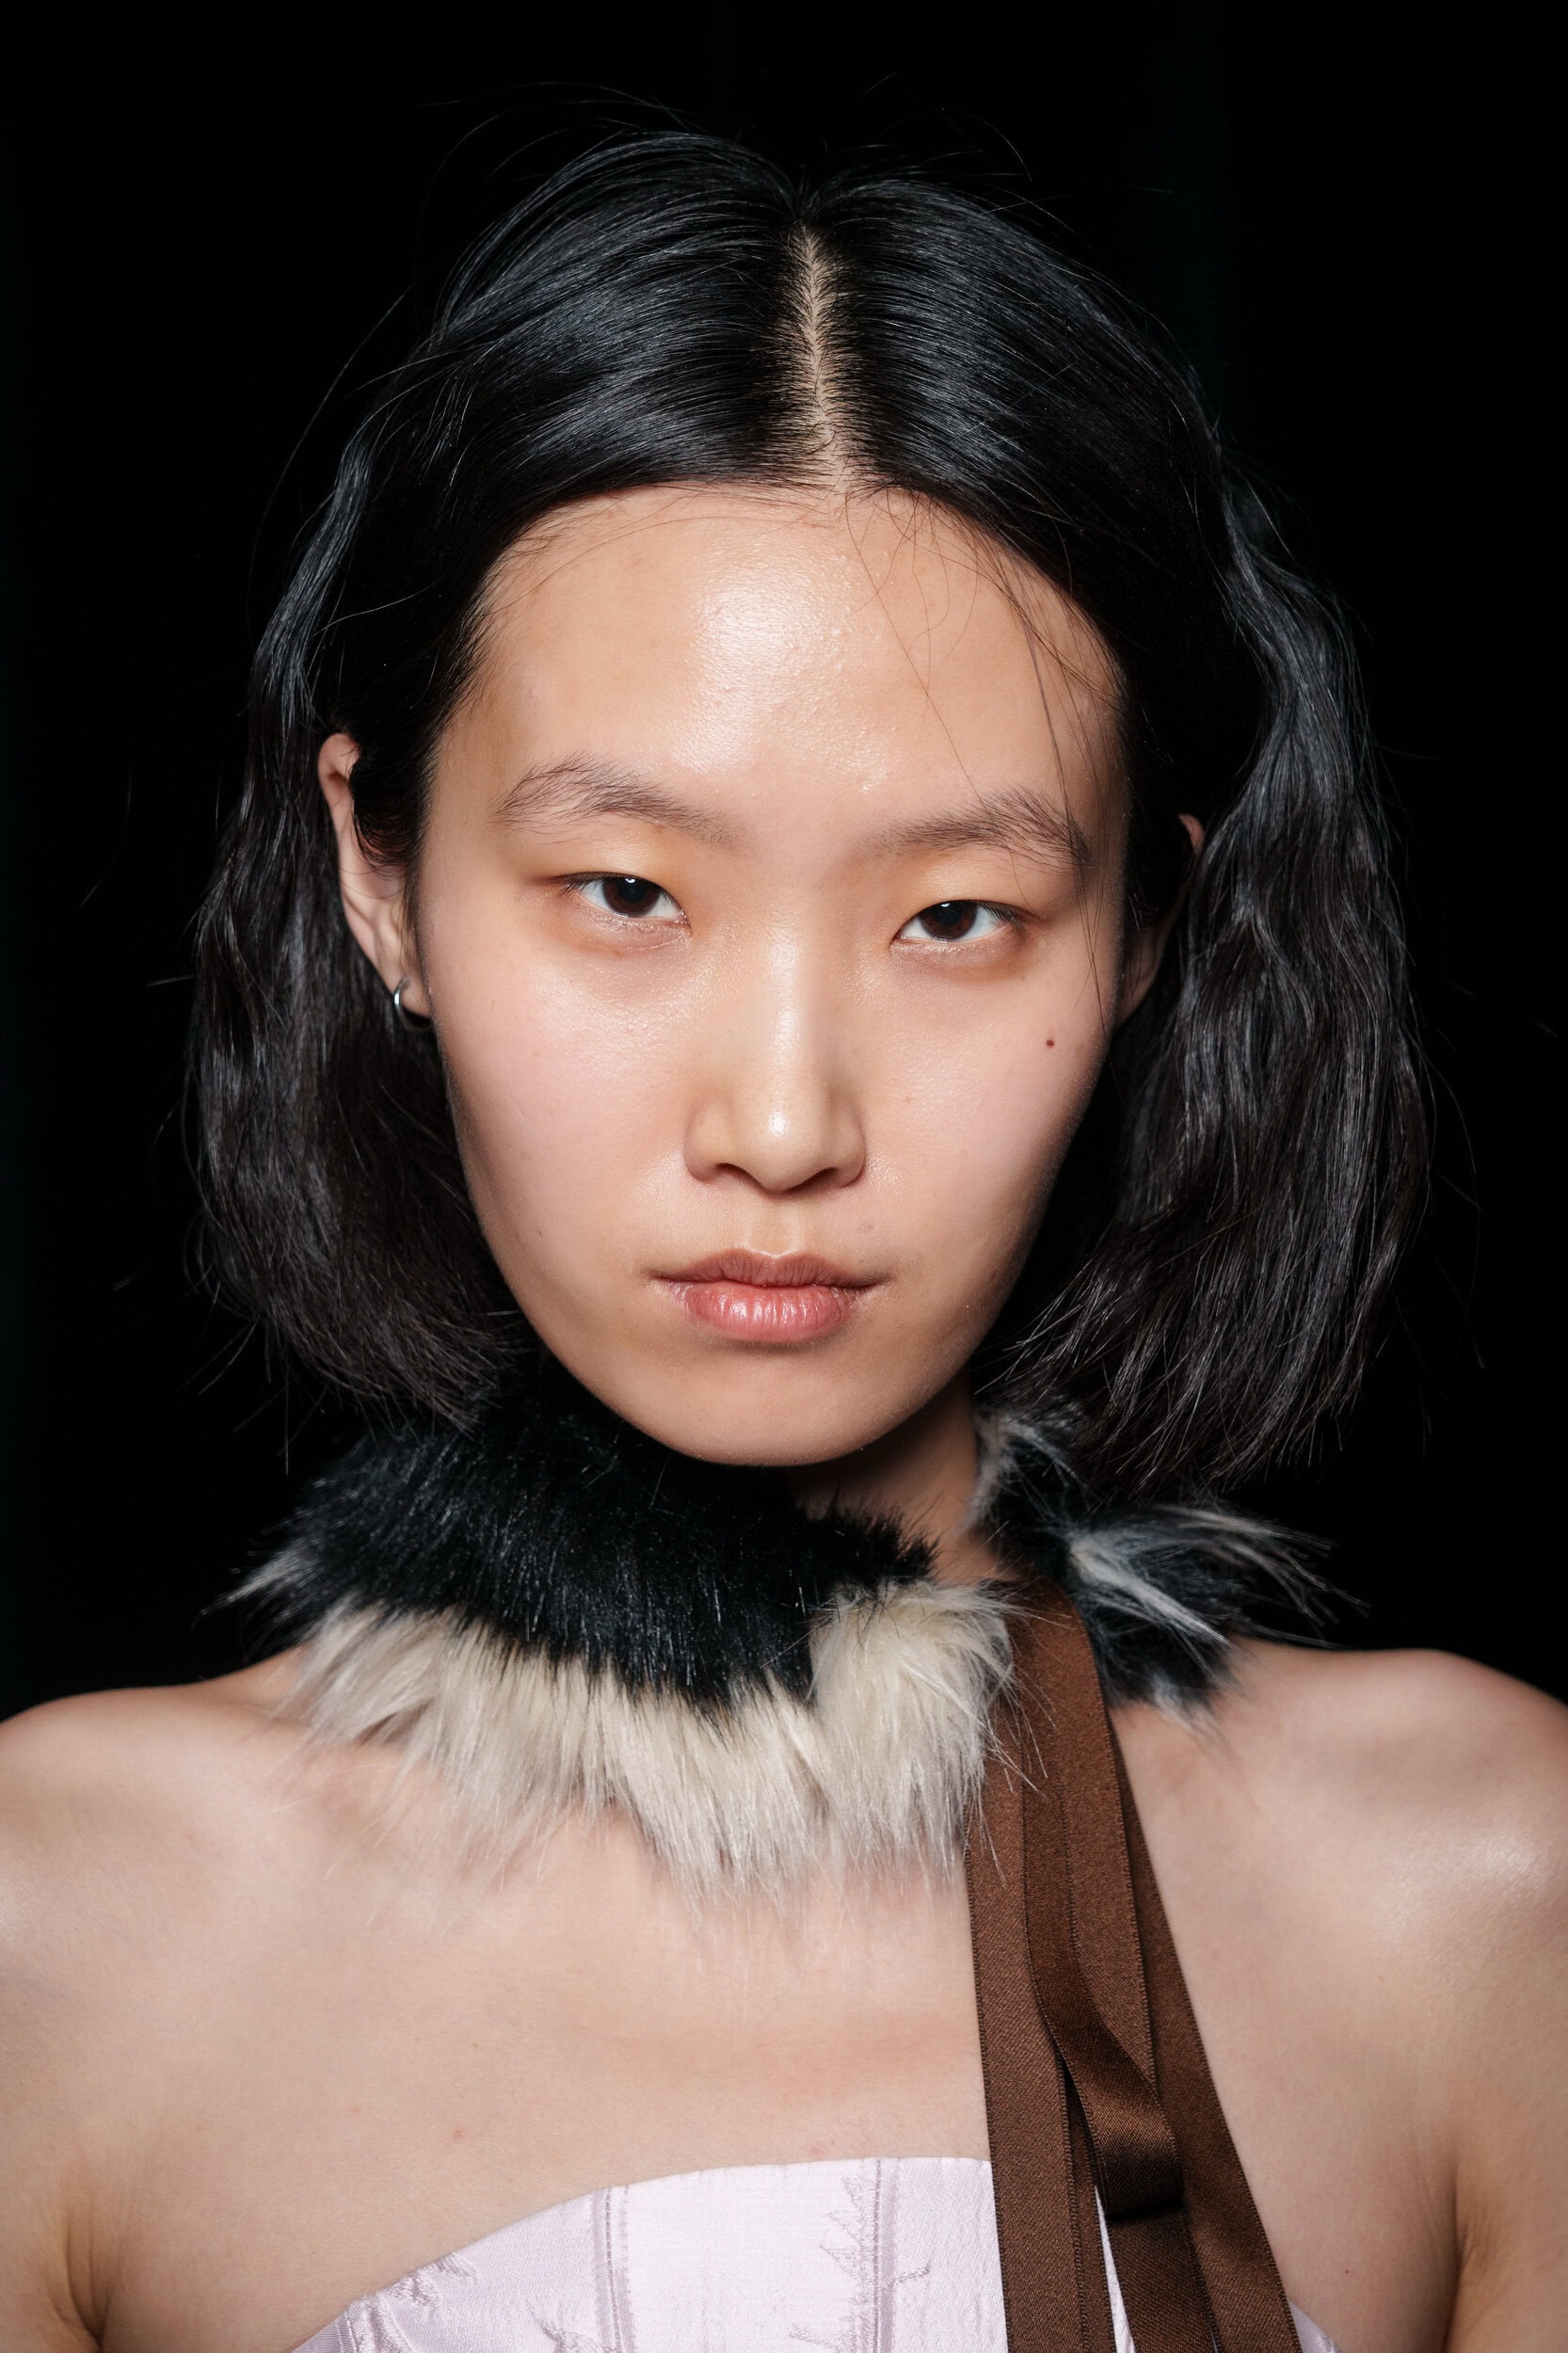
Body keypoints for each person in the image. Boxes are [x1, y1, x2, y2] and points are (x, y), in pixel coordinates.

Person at [0, 136, 1562, 2353]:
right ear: (380, 875)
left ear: (1142, 923)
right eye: (627, 891)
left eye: (956, 916)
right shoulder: (59, 1938)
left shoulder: (1486, 1892)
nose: (780, 1123)